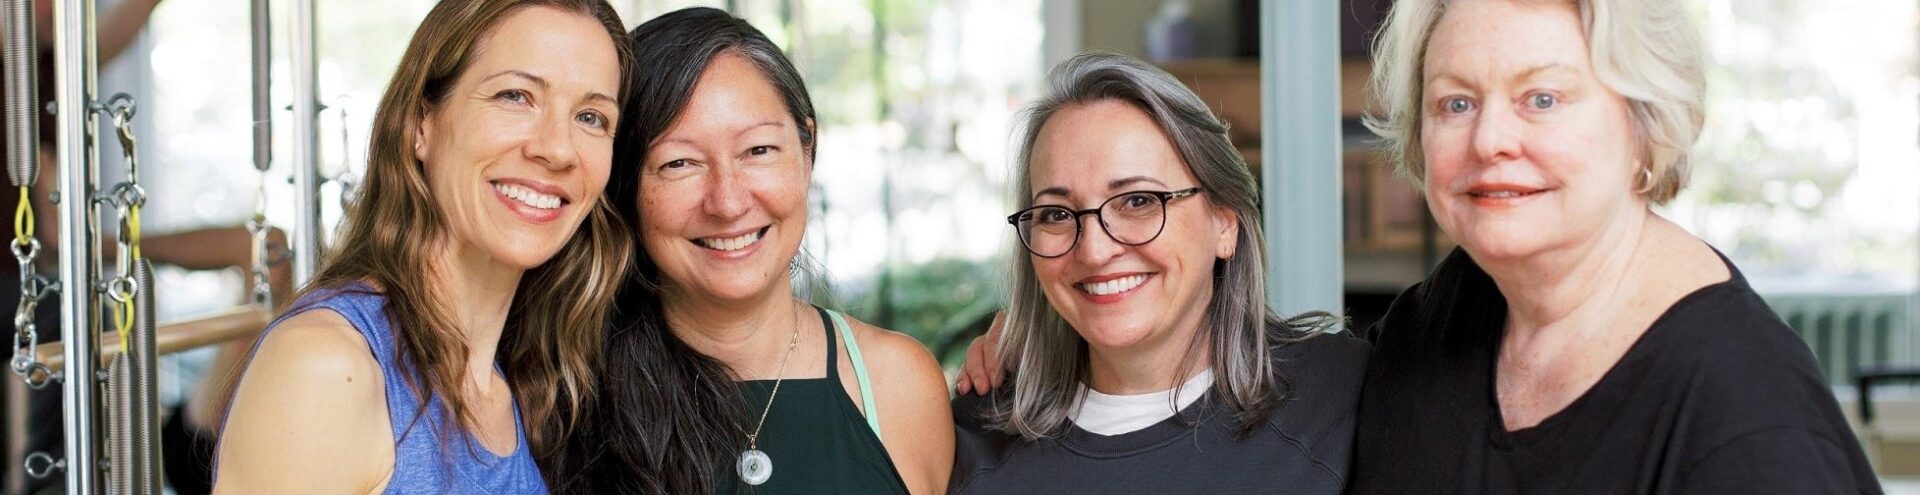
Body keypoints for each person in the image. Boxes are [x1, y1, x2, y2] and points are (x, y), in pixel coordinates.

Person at [1347, 0, 1879, 492]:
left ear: (1644, 124)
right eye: (1456, 103)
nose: (1489, 141)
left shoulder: (1753, 420)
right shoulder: (1441, 312)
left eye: (1542, 99)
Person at [212, 1, 632, 492]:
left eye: (591, 117)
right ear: (420, 124)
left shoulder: (520, 385)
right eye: (515, 96)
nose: (557, 149)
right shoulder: (327, 367)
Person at [543, 8, 952, 494]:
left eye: (758, 151)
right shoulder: (559, 395)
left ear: (806, 152)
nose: (728, 202)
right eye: (679, 163)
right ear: (625, 184)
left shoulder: (900, 382)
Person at [946, 52, 1368, 494]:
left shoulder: (1343, 395)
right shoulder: (975, 441)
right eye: (1055, 213)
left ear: (1225, 224)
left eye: (1138, 201)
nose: (1094, 251)